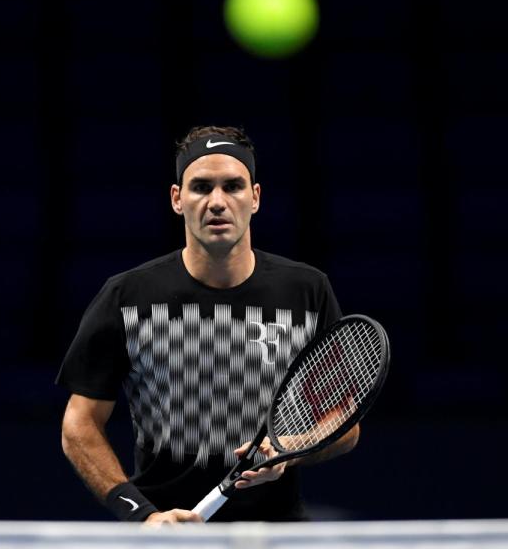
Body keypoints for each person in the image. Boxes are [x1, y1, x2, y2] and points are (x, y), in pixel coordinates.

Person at [56, 125, 358, 524]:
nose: (217, 202)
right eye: (201, 187)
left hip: (277, 533)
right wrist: (141, 514)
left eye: (233, 186)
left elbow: (344, 422)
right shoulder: (127, 297)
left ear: (255, 197)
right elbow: (79, 426)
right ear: (177, 199)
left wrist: (289, 447)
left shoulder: (306, 290)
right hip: (165, 536)